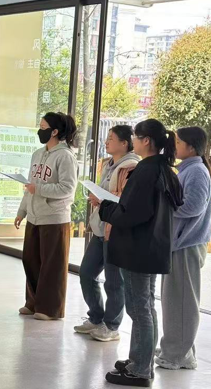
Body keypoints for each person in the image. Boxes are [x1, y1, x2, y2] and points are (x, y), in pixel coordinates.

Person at [99, 119, 183, 388]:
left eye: (136, 136)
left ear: (146, 141)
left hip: (138, 249)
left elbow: (132, 214)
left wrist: (105, 207)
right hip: (151, 248)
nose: (133, 140)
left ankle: (140, 370)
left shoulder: (146, 172)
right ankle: (140, 360)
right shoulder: (163, 169)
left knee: (139, 309)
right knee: (145, 306)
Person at [156, 127, 211, 371]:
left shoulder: (197, 172)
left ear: (191, 147)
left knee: (182, 302)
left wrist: (164, 204)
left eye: (178, 142)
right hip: (180, 243)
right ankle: (176, 348)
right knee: (173, 300)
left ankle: (178, 355)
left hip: (187, 244)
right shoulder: (187, 170)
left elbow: (193, 206)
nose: (174, 146)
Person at [75, 125, 139, 342]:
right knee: (86, 272)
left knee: (114, 281)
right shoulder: (108, 164)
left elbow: (127, 200)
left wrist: (102, 200)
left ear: (124, 143)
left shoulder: (131, 167)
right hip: (101, 227)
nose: (106, 142)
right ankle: (96, 317)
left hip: (116, 230)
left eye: (111, 138)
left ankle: (112, 325)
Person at [14, 112, 78, 321]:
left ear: (55, 131)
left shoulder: (65, 156)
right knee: (31, 260)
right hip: (35, 216)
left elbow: (67, 188)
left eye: (42, 127)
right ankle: (33, 303)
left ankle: (50, 309)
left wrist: (39, 189)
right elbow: (29, 186)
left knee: (52, 265)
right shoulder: (37, 154)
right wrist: (22, 211)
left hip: (54, 218)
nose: (39, 131)